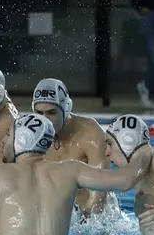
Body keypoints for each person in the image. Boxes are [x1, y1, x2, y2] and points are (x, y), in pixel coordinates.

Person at [0, 114, 152, 235]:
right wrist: (144, 151)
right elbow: (125, 181)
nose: (3, 141)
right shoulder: (71, 170)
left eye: (9, 135)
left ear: (23, 139)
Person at [31, 78, 111, 217]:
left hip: (88, 220)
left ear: (66, 109)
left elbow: (100, 191)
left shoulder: (90, 133)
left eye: (51, 112)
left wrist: (84, 226)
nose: (45, 120)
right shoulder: (29, 136)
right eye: (39, 113)